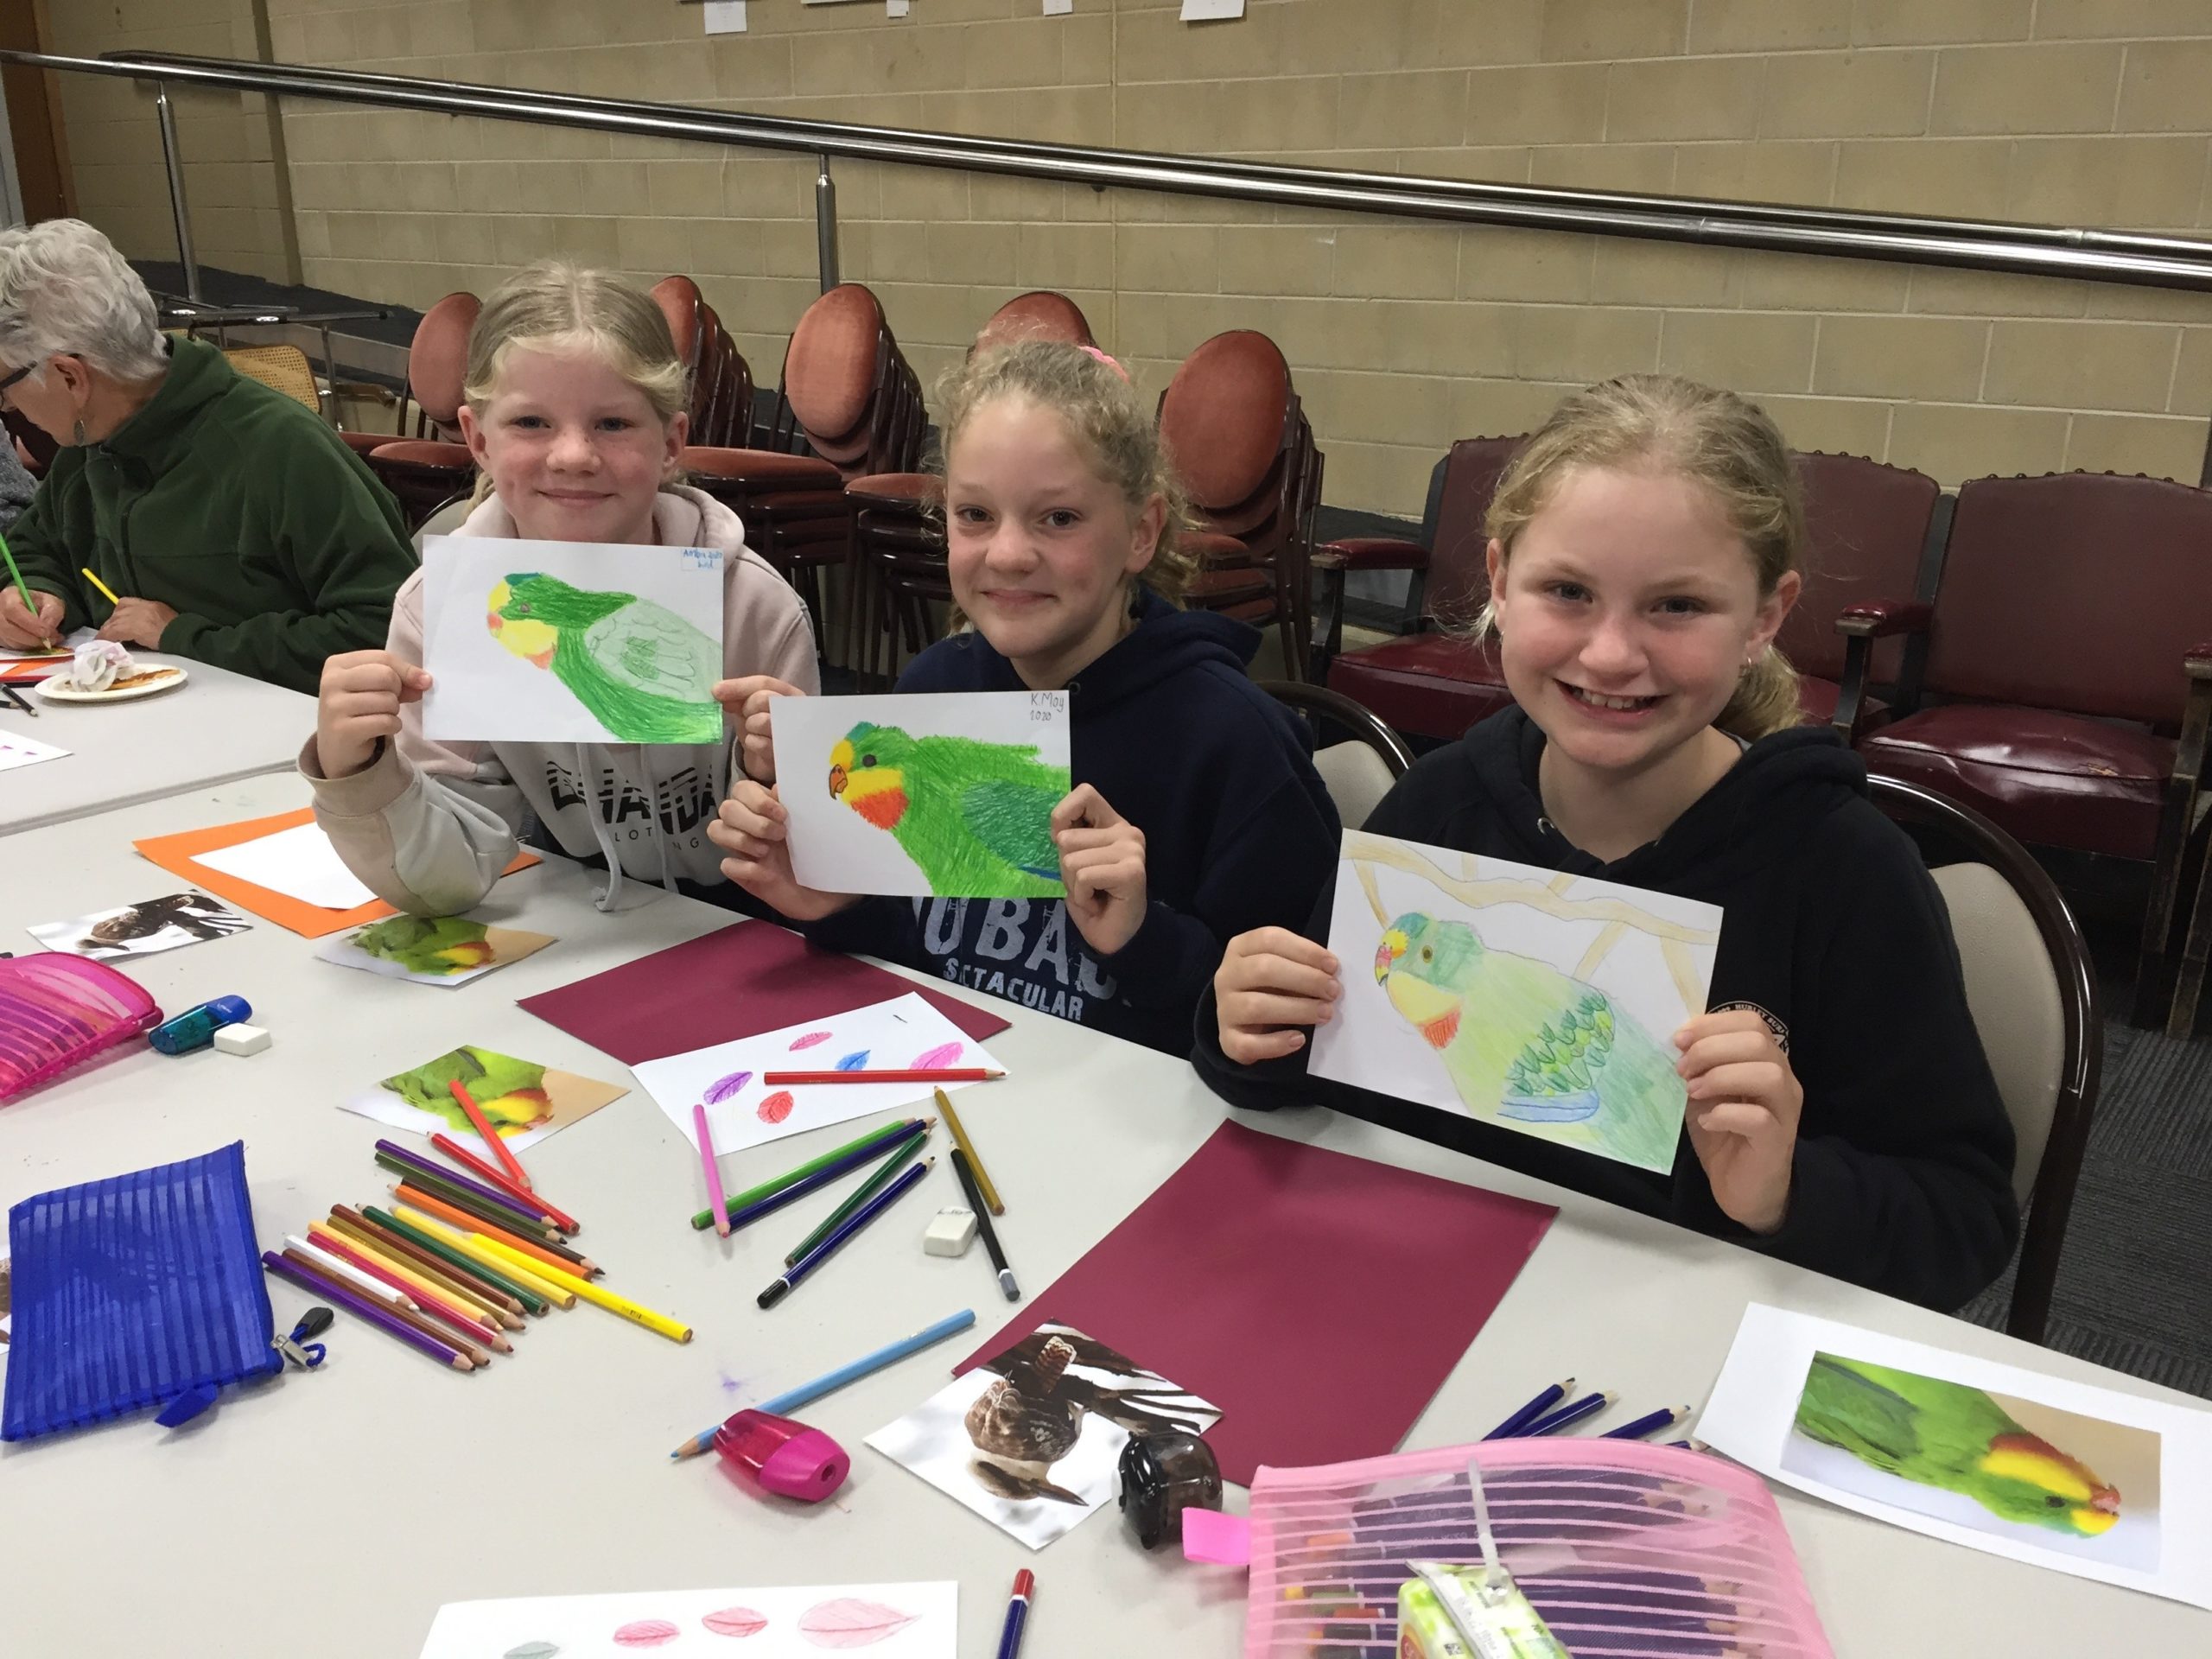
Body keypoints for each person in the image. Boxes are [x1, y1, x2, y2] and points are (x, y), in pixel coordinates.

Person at [1197, 373, 2018, 1312]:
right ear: (1501, 584)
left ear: (1764, 615)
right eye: (1568, 592)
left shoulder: (1844, 871)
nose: (1611, 655)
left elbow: (1965, 1223)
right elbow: (1318, 1084)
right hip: (1408, 1295)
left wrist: (1788, 1190)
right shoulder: (1438, 809)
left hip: (1673, 1344)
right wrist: (1242, 1029)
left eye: (1676, 607)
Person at [709, 340, 1338, 1056]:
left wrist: (1142, 937)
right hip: (948, 1098)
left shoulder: (1239, 746)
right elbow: (923, 957)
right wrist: (837, 904)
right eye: (975, 515)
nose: (1007, 554)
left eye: (1059, 519)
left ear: (1141, 531)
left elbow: (1296, 1038)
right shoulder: (928, 694)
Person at [303, 264, 818, 916]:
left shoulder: (755, 609)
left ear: (671, 443)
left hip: (742, 925)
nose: (573, 455)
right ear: (477, 439)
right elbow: (444, 878)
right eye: (531, 423)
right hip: (575, 920)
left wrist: (769, 772)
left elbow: (812, 864)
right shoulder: (446, 609)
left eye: (612, 423)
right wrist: (356, 775)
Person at [0, 219, 413, 690]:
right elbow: (36, 548)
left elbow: (387, 628)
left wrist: (188, 638)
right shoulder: (89, 442)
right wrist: (32, 591)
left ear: (70, 377)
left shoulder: (280, 449)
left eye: (5, 386)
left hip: (289, 744)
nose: (7, 406)